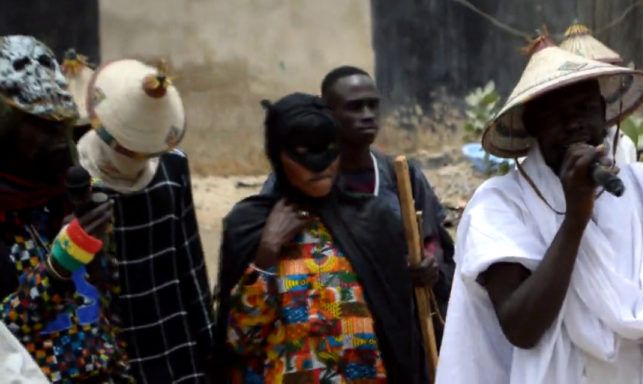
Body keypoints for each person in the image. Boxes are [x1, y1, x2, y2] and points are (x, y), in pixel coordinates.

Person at [436, 36, 643, 383]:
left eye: (584, 109)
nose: (574, 125)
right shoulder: (499, 205)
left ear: (603, 113)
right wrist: (574, 219)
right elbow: (522, 328)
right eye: (556, 115)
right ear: (532, 128)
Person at [215, 93, 425, 383]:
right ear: (279, 156)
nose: (320, 167)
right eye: (304, 153)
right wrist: (267, 252)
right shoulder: (249, 226)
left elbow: (401, 334)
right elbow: (239, 343)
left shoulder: (373, 220)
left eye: (328, 151)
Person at [262, 67, 454, 343]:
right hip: (327, 334)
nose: (367, 115)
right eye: (355, 107)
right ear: (328, 112)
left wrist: (429, 264)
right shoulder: (299, 180)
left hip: (401, 330)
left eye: (373, 105)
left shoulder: (401, 175)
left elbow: (432, 237)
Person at [0, 35, 132, 382]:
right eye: (43, 126)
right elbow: (5, 330)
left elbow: (109, 309)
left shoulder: (71, 196)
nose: (60, 140)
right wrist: (60, 264)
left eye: (63, 125)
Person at [76, 59, 214, 383]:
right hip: (106, 350)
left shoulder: (172, 168)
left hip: (173, 345)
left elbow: (191, 266)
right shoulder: (77, 181)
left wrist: (210, 351)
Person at [559, 23, 638, 165]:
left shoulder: (624, 146)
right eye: (562, 112)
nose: (574, 124)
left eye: (586, 108)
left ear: (602, 108)